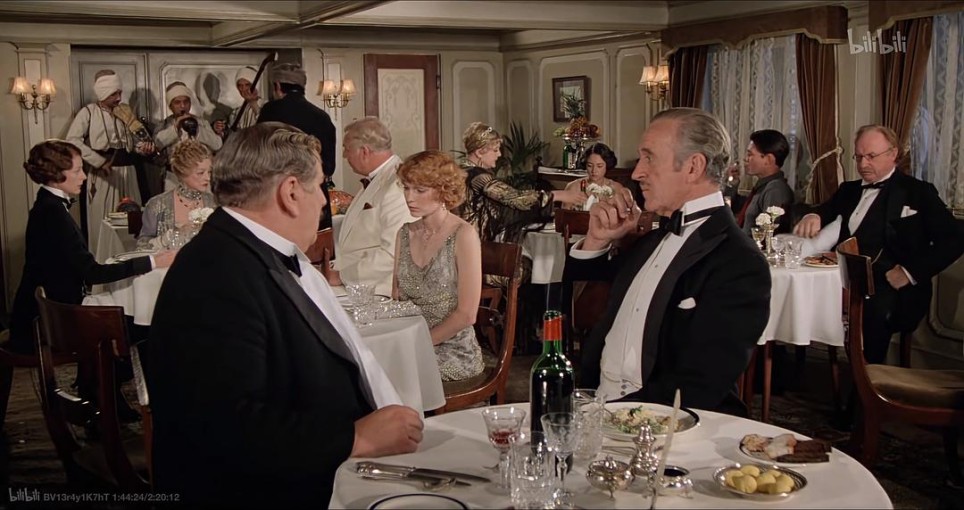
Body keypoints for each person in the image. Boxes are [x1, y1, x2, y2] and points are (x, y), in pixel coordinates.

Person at [149, 123, 423, 507]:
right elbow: (225, 425)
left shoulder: (255, 253)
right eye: (320, 186)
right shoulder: (216, 273)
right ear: (291, 192)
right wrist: (356, 438)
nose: (324, 202)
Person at [565, 108, 771, 416]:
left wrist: (611, 416)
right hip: (594, 406)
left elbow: (699, 384)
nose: (637, 173)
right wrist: (596, 241)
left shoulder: (739, 262)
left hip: (660, 424)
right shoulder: (649, 240)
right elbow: (578, 309)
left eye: (649, 158)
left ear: (693, 167)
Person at [794, 124, 964, 365]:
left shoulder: (917, 192)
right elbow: (826, 210)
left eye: (871, 156)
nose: (863, 164)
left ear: (893, 154)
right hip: (845, 281)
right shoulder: (848, 190)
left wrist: (909, 272)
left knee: (875, 311)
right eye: (858, 157)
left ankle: (868, 380)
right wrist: (814, 215)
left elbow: (955, 239)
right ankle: (795, 368)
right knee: (801, 298)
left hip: (893, 287)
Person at [8, 141, 176, 354]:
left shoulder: (48, 204)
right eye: (77, 171)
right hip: (51, 319)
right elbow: (92, 273)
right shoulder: (52, 213)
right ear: (56, 174)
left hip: (55, 307)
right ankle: (120, 374)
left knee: (134, 316)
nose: (84, 176)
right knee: (143, 326)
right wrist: (152, 262)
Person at [393, 150, 484, 382]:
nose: (409, 198)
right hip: (410, 344)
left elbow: (467, 315)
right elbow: (397, 301)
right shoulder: (404, 233)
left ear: (444, 190)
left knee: (390, 375)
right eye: (406, 188)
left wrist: (418, 344)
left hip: (453, 352)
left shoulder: (464, 235)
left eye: (420, 190)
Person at [65, 69, 155, 248]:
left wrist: (142, 149)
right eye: (114, 94)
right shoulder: (89, 112)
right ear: (103, 92)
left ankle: (133, 257)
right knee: (104, 216)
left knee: (132, 216)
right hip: (103, 174)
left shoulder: (124, 113)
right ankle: (102, 258)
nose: (119, 98)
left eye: (120, 92)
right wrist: (99, 161)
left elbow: (131, 144)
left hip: (128, 173)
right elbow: (72, 140)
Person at [458, 122, 585, 244]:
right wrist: (557, 195)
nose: (499, 154)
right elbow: (514, 198)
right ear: (479, 152)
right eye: (495, 150)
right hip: (470, 242)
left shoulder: (461, 170)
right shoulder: (478, 177)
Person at [330, 116, 414, 296]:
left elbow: (394, 252)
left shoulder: (397, 184)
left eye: (346, 149)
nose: (344, 155)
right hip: (355, 284)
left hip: (378, 290)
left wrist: (342, 276)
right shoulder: (379, 178)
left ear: (364, 151)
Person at [257, 62, 337, 229]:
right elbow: (329, 167)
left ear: (277, 86)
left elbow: (259, 154)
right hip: (314, 195)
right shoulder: (322, 117)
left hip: (278, 194)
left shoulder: (270, 111)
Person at [136, 140, 216, 249]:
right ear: (183, 172)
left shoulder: (215, 203)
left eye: (209, 172)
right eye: (200, 173)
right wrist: (170, 236)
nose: (208, 178)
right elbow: (142, 247)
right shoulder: (157, 205)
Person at [153, 81, 223, 190]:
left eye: (186, 102)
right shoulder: (164, 124)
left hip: (199, 176)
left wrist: (197, 130)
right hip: (173, 178)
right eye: (177, 102)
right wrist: (175, 128)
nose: (183, 106)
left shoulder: (202, 122)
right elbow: (157, 144)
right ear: (171, 106)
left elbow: (217, 145)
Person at [725, 129, 796, 234]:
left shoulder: (775, 189)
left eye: (750, 154)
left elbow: (768, 234)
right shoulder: (763, 187)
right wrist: (732, 184)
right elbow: (735, 208)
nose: (746, 159)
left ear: (769, 159)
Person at [562, 142, 627, 210]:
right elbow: (564, 214)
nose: (594, 170)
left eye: (599, 166)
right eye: (589, 166)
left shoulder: (616, 188)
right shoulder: (574, 187)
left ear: (607, 165)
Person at [221, 66, 264, 133]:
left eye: (247, 85)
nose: (243, 89)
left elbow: (266, 127)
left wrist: (253, 103)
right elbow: (230, 133)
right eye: (240, 85)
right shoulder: (236, 112)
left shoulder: (266, 106)